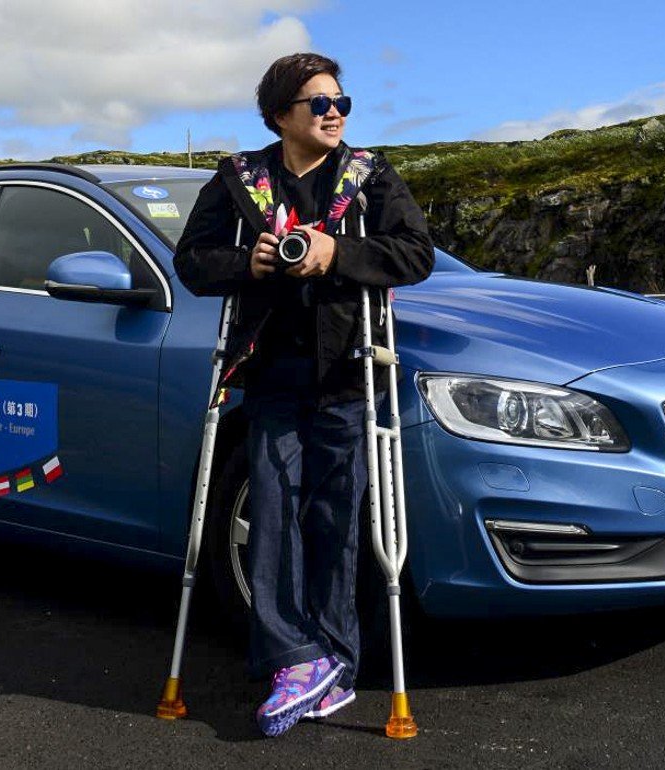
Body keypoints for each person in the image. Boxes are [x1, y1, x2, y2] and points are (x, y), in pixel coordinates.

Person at [173, 52, 433, 737]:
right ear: (281, 114)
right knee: (276, 512)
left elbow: (415, 253)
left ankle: (333, 658)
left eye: (341, 101)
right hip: (270, 372)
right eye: (319, 103)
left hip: (347, 370)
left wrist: (335, 254)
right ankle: (294, 657)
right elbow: (192, 261)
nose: (335, 113)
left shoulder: (368, 176)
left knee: (336, 518)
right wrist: (250, 261)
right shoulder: (240, 181)